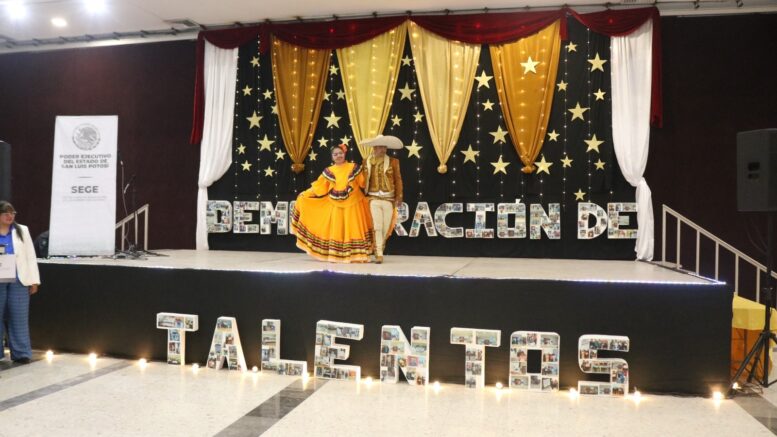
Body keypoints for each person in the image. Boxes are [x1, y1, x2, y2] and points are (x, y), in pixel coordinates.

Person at [291, 144, 373, 263]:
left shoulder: (353, 167)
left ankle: (356, 255)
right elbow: (319, 187)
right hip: (335, 204)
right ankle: (337, 255)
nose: (338, 156)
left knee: (353, 229)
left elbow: (363, 184)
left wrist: (366, 170)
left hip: (354, 203)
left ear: (344, 154)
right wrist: (305, 193)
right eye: (335, 154)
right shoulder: (329, 171)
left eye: (340, 153)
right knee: (337, 230)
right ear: (332, 157)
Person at [0, 201, 40, 364]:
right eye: (6, 213)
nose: (10, 216)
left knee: (19, 316)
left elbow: (30, 256)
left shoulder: (22, 230)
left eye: (12, 213)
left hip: (19, 279)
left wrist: (34, 280)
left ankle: (21, 353)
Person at [361, 135, 403, 264]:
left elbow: (398, 179)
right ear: (374, 148)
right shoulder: (366, 161)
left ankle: (379, 248)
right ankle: (379, 253)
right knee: (377, 226)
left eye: (384, 147)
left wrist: (399, 196)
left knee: (386, 227)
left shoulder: (393, 161)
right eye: (380, 147)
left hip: (388, 198)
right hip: (373, 197)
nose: (383, 149)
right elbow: (363, 178)